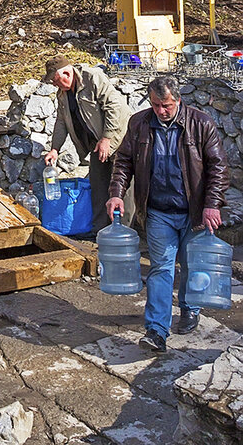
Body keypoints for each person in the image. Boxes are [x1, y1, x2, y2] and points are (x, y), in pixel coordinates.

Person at [107, 74, 229, 353]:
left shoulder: (201, 124)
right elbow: (124, 161)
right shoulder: (139, 123)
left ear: (178, 100)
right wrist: (116, 192)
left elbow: (218, 168)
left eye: (167, 106)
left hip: (193, 210)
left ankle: (189, 307)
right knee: (161, 268)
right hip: (158, 210)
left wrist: (212, 204)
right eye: (156, 105)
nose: (161, 111)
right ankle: (157, 330)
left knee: (190, 264)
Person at [43, 56, 133, 233]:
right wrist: (55, 149)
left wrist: (107, 138)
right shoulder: (62, 93)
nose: (54, 85)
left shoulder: (92, 77)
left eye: (55, 80)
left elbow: (114, 107)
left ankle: (125, 231)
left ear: (67, 74)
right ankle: (101, 230)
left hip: (118, 138)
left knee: (123, 186)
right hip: (94, 143)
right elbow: (61, 122)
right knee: (98, 185)